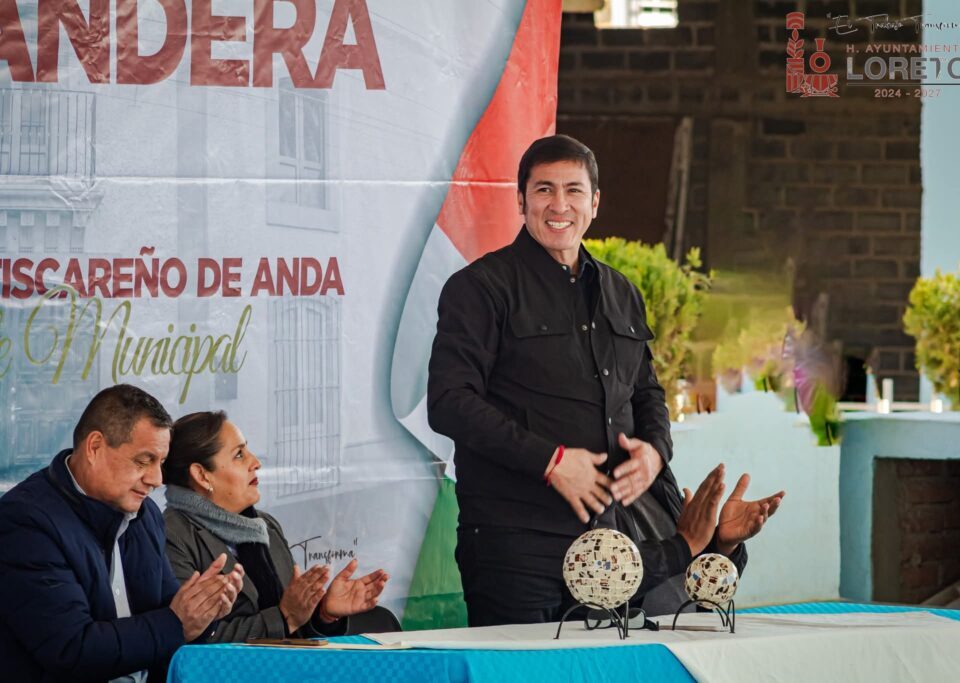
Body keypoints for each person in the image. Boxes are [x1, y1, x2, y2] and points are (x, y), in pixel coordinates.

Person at [427, 134, 785, 625]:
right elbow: (449, 402)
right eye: (544, 190)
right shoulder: (480, 288)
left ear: (594, 203)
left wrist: (655, 451)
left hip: (613, 544)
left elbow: (647, 393)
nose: (559, 205)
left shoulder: (622, 292)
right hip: (515, 546)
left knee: (606, 662)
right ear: (520, 201)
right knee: (525, 665)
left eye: (573, 190)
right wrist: (551, 462)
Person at [0, 384, 244, 683]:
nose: (156, 479)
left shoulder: (146, 514)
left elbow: (171, 618)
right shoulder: (24, 521)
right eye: (143, 461)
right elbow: (72, 650)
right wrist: (177, 622)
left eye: (161, 463)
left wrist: (204, 613)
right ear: (95, 447)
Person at [162, 411, 392, 642]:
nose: (256, 462)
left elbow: (293, 629)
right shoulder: (171, 536)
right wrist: (284, 616)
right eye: (239, 455)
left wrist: (323, 615)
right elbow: (191, 637)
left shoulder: (265, 525)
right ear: (202, 476)